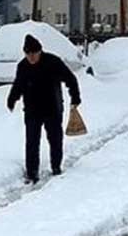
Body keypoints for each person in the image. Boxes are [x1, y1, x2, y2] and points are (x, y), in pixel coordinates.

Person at [8, 34, 81, 184]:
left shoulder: (53, 62)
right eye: (28, 54)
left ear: (40, 51)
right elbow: (18, 85)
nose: (31, 57)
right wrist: (12, 98)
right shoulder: (23, 66)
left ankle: (56, 166)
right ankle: (32, 172)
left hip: (52, 108)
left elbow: (70, 79)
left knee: (55, 139)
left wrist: (75, 97)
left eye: (34, 53)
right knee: (32, 141)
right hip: (32, 110)